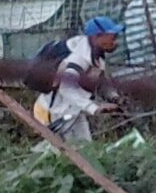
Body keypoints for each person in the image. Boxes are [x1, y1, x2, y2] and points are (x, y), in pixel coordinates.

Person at [28, 16, 124, 145]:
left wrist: (114, 97)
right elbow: (66, 89)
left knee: (84, 149)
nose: (116, 40)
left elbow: (99, 80)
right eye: (113, 36)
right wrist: (94, 108)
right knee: (58, 151)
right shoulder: (78, 59)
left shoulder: (96, 54)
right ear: (97, 37)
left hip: (73, 111)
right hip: (54, 113)